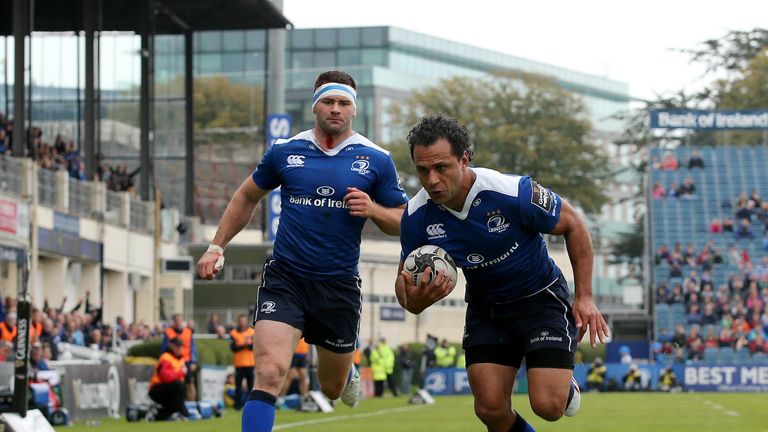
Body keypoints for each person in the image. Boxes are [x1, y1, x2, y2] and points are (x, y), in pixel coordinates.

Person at [196, 70, 408, 431]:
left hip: (338, 285)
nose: (336, 109)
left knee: (331, 386)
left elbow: (403, 220)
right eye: (329, 101)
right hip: (286, 277)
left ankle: (346, 368)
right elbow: (247, 195)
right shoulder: (285, 150)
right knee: (270, 371)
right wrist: (217, 245)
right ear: (315, 106)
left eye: (344, 103)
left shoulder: (377, 159)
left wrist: (373, 210)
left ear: (354, 110)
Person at [396, 114, 609, 431]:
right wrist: (415, 300)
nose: (432, 180)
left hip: (540, 301)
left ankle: (562, 387)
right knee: (490, 409)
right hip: (487, 309)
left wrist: (586, 297)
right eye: (422, 170)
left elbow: (573, 223)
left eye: (441, 167)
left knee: (548, 406)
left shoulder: (511, 192)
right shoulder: (416, 217)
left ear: (464, 159)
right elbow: (405, 288)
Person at [148, 338, 190, 421]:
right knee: (178, 386)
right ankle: (177, 412)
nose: (179, 348)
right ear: (171, 346)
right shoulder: (166, 357)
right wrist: (181, 373)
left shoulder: (180, 359)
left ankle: (159, 415)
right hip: (157, 389)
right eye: (177, 346)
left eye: (180, 346)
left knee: (180, 388)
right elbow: (166, 377)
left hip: (170, 389)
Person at [161, 314, 198, 401]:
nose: (179, 322)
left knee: (190, 383)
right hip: (174, 362)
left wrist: (194, 361)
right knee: (175, 384)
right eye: (177, 320)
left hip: (187, 361)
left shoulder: (188, 332)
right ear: (174, 322)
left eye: (180, 320)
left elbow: (193, 348)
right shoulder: (168, 332)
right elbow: (164, 349)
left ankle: (191, 404)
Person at [230, 314, 255, 410]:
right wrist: (243, 345)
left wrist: (246, 345)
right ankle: (237, 405)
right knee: (238, 386)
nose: (242, 322)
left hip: (249, 363)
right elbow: (233, 348)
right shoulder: (234, 333)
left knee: (250, 386)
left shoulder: (252, 332)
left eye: (243, 320)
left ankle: (250, 405)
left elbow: (254, 346)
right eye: (240, 321)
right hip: (239, 363)